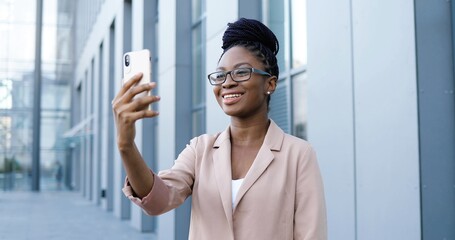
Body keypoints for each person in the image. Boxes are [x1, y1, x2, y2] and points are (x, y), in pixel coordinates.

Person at [112, 18, 327, 240]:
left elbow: (311, 235)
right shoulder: (200, 150)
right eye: (220, 75)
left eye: (241, 72)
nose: (227, 83)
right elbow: (157, 201)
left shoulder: (299, 155)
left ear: (270, 84)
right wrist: (126, 145)